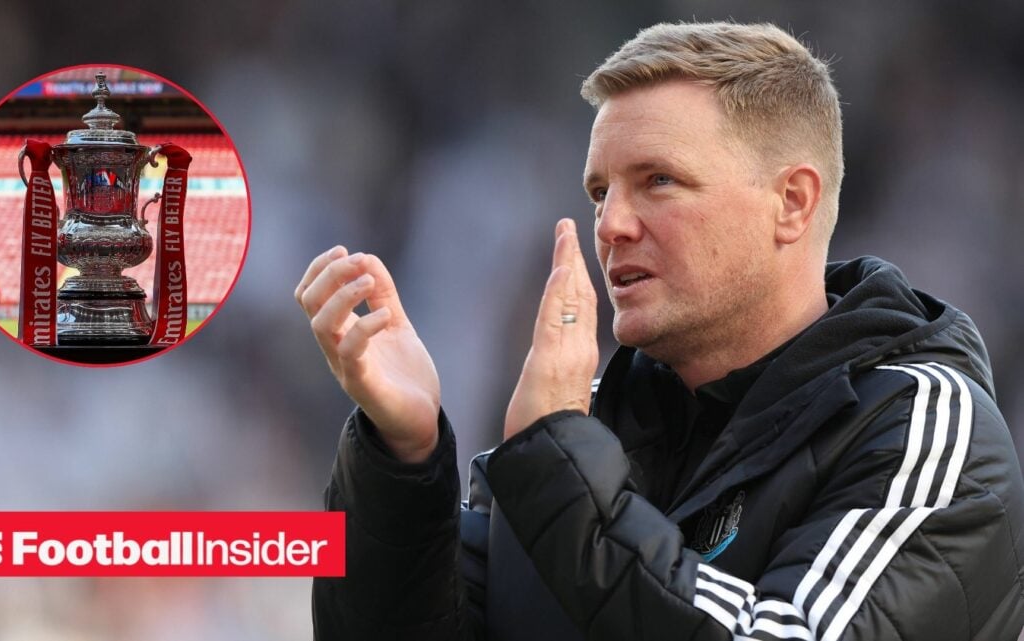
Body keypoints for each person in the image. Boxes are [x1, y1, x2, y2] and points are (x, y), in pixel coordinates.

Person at [296, 21, 1024, 641]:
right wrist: (404, 458)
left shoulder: (922, 426)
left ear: (792, 204)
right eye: (599, 191)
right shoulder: (579, 427)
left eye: (659, 181)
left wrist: (557, 466)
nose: (611, 224)